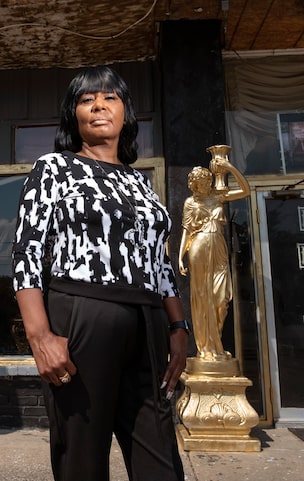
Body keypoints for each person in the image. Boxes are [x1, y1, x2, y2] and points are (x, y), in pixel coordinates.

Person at [12, 66, 188, 481]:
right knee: (83, 458)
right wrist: (39, 336)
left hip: (148, 323)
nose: (99, 105)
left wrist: (179, 326)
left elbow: (160, 264)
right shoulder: (53, 168)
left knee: (160, 456)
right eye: (87, 99)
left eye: (110, 97)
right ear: (73, 116)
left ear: (126, 113)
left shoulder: (140, 183)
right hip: (82, 314)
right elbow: (27, 253)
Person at [178, 159, 250, 361]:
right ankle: (206, 349)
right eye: (199, 184)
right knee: (202, 297)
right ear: (193, 185)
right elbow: (186, 230)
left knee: (222, 299)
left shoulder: (218, 196)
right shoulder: (190, 203)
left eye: (206, 182)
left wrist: (229, 168)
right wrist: (181, 256)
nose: (203, 186)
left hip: (218, 246)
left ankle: (216, 342)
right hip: (199, 246)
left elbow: (245, 190)